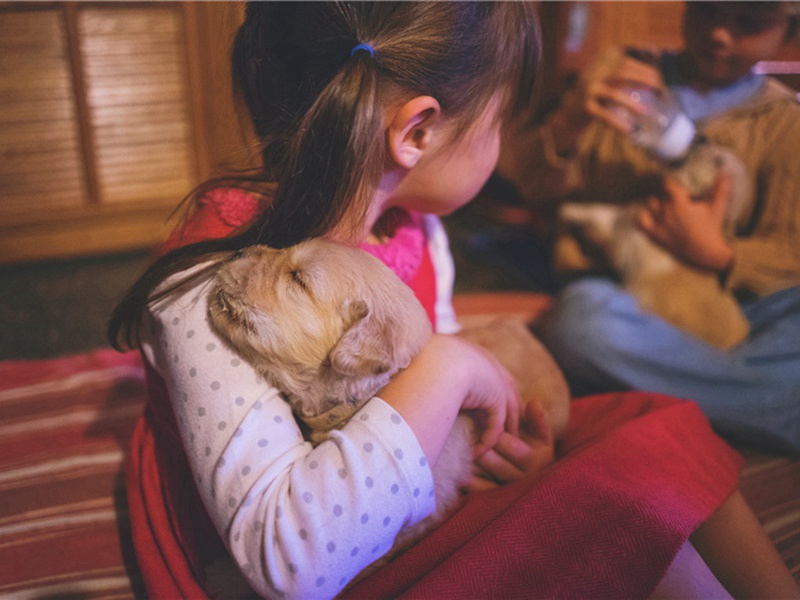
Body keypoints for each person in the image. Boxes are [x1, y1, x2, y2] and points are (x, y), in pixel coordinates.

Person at [108, 3, 798, 598]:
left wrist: (493, 445)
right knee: (629, 511)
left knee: (660, 427)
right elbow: (290, 558)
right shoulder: (207, 280)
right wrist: (450, 368)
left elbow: (426, 378)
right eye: (499, 121)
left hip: (414, 495)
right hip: (319, 550)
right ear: (417, 133)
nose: (500, 144)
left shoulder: (415, 230)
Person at [500, 1, 800, 454]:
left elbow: (789, 253)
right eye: (708, 12)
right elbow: (526, 183)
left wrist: (719, 254)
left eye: (748, 24)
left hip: (730, 310)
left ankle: (715, 390)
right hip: (628, 297)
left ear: (787, 30)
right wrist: (571, 120)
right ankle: (771, 407)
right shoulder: (626, 78)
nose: (720, 34)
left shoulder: (783, 124)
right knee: (581, 321)